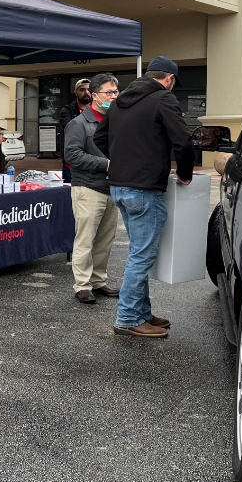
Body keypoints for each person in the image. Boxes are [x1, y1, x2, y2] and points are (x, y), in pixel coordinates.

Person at [94, 57, 195, 338]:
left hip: (119, 186)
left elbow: (100, 138)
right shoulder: (163, 99)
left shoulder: (119, 101)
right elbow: (183, 140)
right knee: (141, 256)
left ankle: (142, 313)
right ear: (170, 79)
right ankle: (127, 319)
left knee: (139, 251)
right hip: (144, 189)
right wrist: (185, 173)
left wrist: (123, 161)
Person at [63, 73, 120, 305]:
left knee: (105, 240)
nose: (114, 96)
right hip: (87, 188)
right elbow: (72, 155)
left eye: (116, 92)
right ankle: (83, 285)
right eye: (109, 93)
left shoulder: (117, 121)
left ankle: (98, 281)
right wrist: (105, 164)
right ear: (95, 96)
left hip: (112, 188)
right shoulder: (78, 124)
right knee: (85, 240)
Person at [60, 79, 91, 184]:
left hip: (93, 160)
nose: (86, 92)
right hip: (72, 163)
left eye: (89, 89)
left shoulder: (99, 110)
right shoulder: (67, 110)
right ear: (76, 92)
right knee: (72, 195)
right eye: (82, 90)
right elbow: (70, 130)